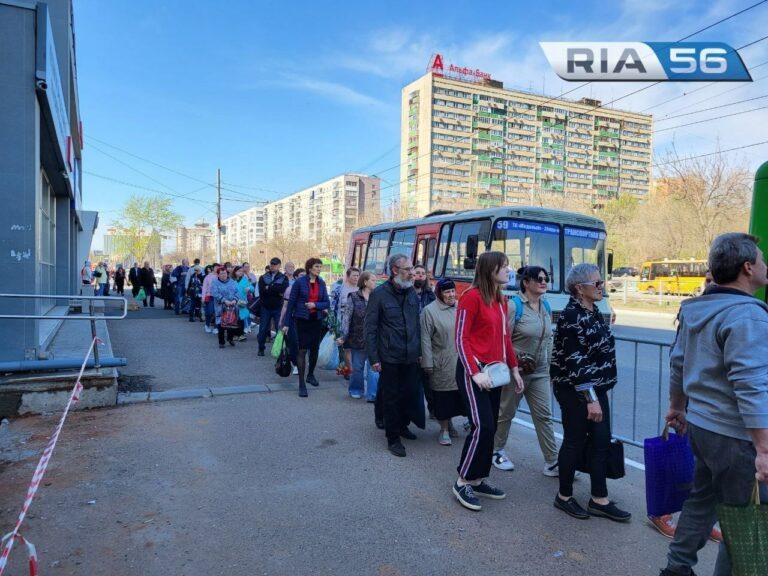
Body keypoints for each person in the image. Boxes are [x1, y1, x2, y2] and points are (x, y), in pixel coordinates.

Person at [659, 233, 768, 576]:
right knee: (744, 521)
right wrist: (764, 448)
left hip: (702, 427)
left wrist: (677, 406)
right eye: (763, 260)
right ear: (748, 268)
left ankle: (676, 569)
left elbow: (678, 362)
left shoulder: (696, 308)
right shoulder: (748, 316)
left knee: (701, 502)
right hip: (736, 437)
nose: (766, 266)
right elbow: (751, 385)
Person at [551, 263, 630, 522]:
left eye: (601, 282)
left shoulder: (594, 311)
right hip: (575, 391)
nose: (602, 287)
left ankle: (599, 499)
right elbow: (575, 361)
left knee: (600, 440)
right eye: (596, 283)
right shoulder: (571, 315)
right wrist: (591, 400)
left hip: (596, 389)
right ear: (579, 288)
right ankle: (564, 496)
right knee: (574, 440)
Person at [453, 251, 524, 511]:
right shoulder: (470, 298)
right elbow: (461, 339)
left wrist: (514, 369)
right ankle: (462, 481)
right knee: (482, 426)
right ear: (490, 269)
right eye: (504, 266)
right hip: (476, 373)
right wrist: (474, 372)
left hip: (495, 374)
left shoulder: (501, 300)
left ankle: (479, 479)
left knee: (491, 428)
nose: (509, 270)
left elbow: (505, 338)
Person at [493, 266, 559, 476]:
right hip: (516, 371)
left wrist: (550, 369)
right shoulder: (514, 306)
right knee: (506, 413)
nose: (544, 282)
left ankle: (552, 461)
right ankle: (495, 450)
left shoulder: (546, 306)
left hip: (540, 371)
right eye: (539, 279)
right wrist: (512, 365)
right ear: (526, 282)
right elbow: (502, 340)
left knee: (544, 416)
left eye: (546, 278)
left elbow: (548, 340)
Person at [365, 253, 422, 458]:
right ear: (395, 270)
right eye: (408, 269)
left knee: (408, 394)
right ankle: (393, 438)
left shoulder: (411, 293)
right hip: (389, 355)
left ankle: (403, 425)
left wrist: (420, 352)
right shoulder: (379, 294)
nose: (412, 273)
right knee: (392, 397)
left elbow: (417, 324)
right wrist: (374, 358)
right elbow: (370, 327)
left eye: (412, 269)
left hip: (411, 355)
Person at [420, 279, 462, 446]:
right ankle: (444, 430)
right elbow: (425, 339)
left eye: (452, 291)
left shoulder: (461, 307)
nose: (451, 295)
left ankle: (450, 423)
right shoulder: (429, 311)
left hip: (460, 361)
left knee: (457, 397)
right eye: (447, 292)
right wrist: (428, 363)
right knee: (443, 397)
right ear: (439, 293)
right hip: (441, 361)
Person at [281, 258, 329, 397]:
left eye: (320, 266)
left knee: (315, 349)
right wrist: (286, 323)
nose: (319, 269)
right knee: (302, 350)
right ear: (309, 268)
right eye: (316, 266)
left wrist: (316, 306)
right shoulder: (299, 283)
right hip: (302, 320)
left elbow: (326, 302)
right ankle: (301, 383)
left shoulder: (321, 282)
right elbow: (291, 303)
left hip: (316, 320)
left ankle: (311, 375)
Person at [338, 271, 378, 400]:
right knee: (358, 367)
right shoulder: (353, 297)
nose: (375, 283)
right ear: (365, 282)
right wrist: (343, 336)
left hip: (374, 338)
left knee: (374, 367)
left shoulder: (377, 297)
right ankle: (356, 389)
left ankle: (373, 394)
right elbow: (347, 318)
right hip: (357, 337)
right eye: (373, 280)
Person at [332, 267, 360, 379]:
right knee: (346, 347)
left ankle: (353, 369)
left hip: (358, 322)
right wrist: (333, 323)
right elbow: (333, 306)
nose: (356, 278)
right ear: (348, 276)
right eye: (354, 275)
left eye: (357, 276)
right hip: (343, 320)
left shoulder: (361, 289)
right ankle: (350, 370)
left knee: (356, 347)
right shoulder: (340, 289)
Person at [258, 257, 289, 356]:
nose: (273, 266)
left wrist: (269, 287)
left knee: (279, 328)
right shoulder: (263, 277)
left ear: (279, 266)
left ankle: (279, 348)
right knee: (263, 328)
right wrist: (276, 290)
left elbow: (284, 289)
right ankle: (261, 348)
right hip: (265, 307)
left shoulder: (284, 278)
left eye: (275, 264)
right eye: (271, 264)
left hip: (278, 307)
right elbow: (262, 291)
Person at [280, 268, 305, 375]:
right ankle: (295, 364)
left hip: (305, 320)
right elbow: (285, 306)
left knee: (303, 344)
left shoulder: (309, 289)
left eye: (305, 275)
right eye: (301, 275)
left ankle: (301, 361)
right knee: (293, 343)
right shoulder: (290, 289)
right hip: (292, 319)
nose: (304, 277)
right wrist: (281, 320)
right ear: (295, 277)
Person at [211, 266, 240, 348]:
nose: (224, 275)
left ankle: (230, 338)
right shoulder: (214, 282)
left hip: (232, 306)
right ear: (218, 275)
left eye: (225, 273)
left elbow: (237, 292)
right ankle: (221, 342)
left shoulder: (232, 282)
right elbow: (215, 293)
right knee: (221, 325)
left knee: (231, 323)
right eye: (221, 273)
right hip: (221, 306)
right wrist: (224, 300)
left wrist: (235, 300)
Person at [202, 263, 219, 334]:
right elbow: (204, 288)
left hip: (218, 297)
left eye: (218, 267)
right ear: (212, 268)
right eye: (216, 267)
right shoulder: (208, 277)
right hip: (209, 296)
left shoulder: (220, 276)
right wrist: (203, 298)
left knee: (217, 312)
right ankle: (207, 325)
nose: (217, 269)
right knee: (209, 312)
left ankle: (216, 327)